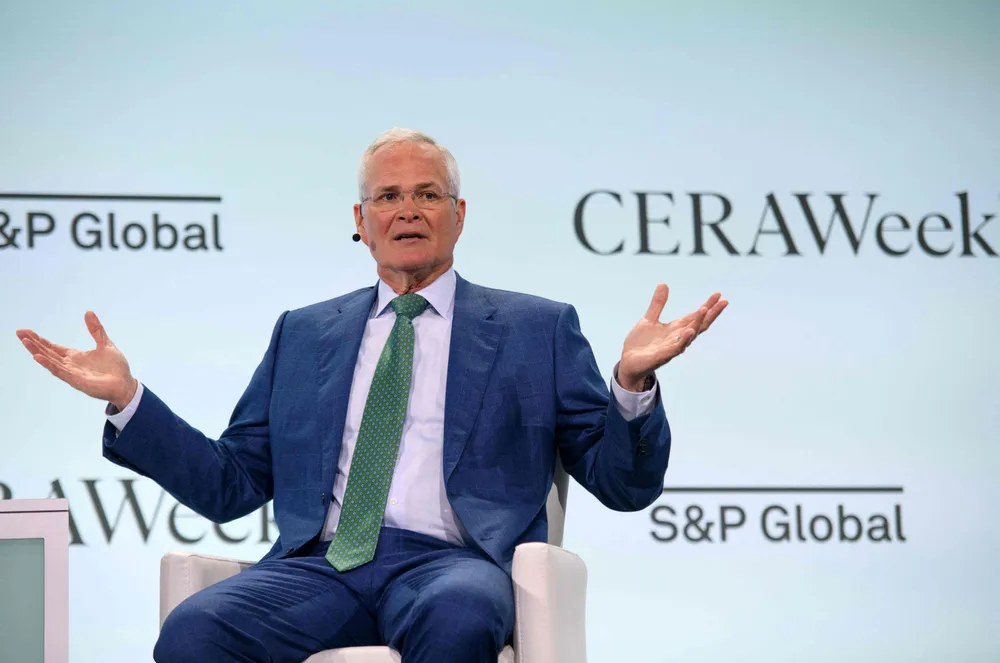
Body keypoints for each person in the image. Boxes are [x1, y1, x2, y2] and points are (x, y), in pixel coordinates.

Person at [16, 128, 727, 663]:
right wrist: (129, 400)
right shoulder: (303, 333)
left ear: (459, 214)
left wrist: (631, 384)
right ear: (360, 221)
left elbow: (624, 484)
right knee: (193, 631)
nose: (407, 210)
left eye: (428, 194)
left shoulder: (535, 328)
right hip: (321, 567)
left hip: (452, 565)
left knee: (460, 616)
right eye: (388, 197)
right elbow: (233, 485)